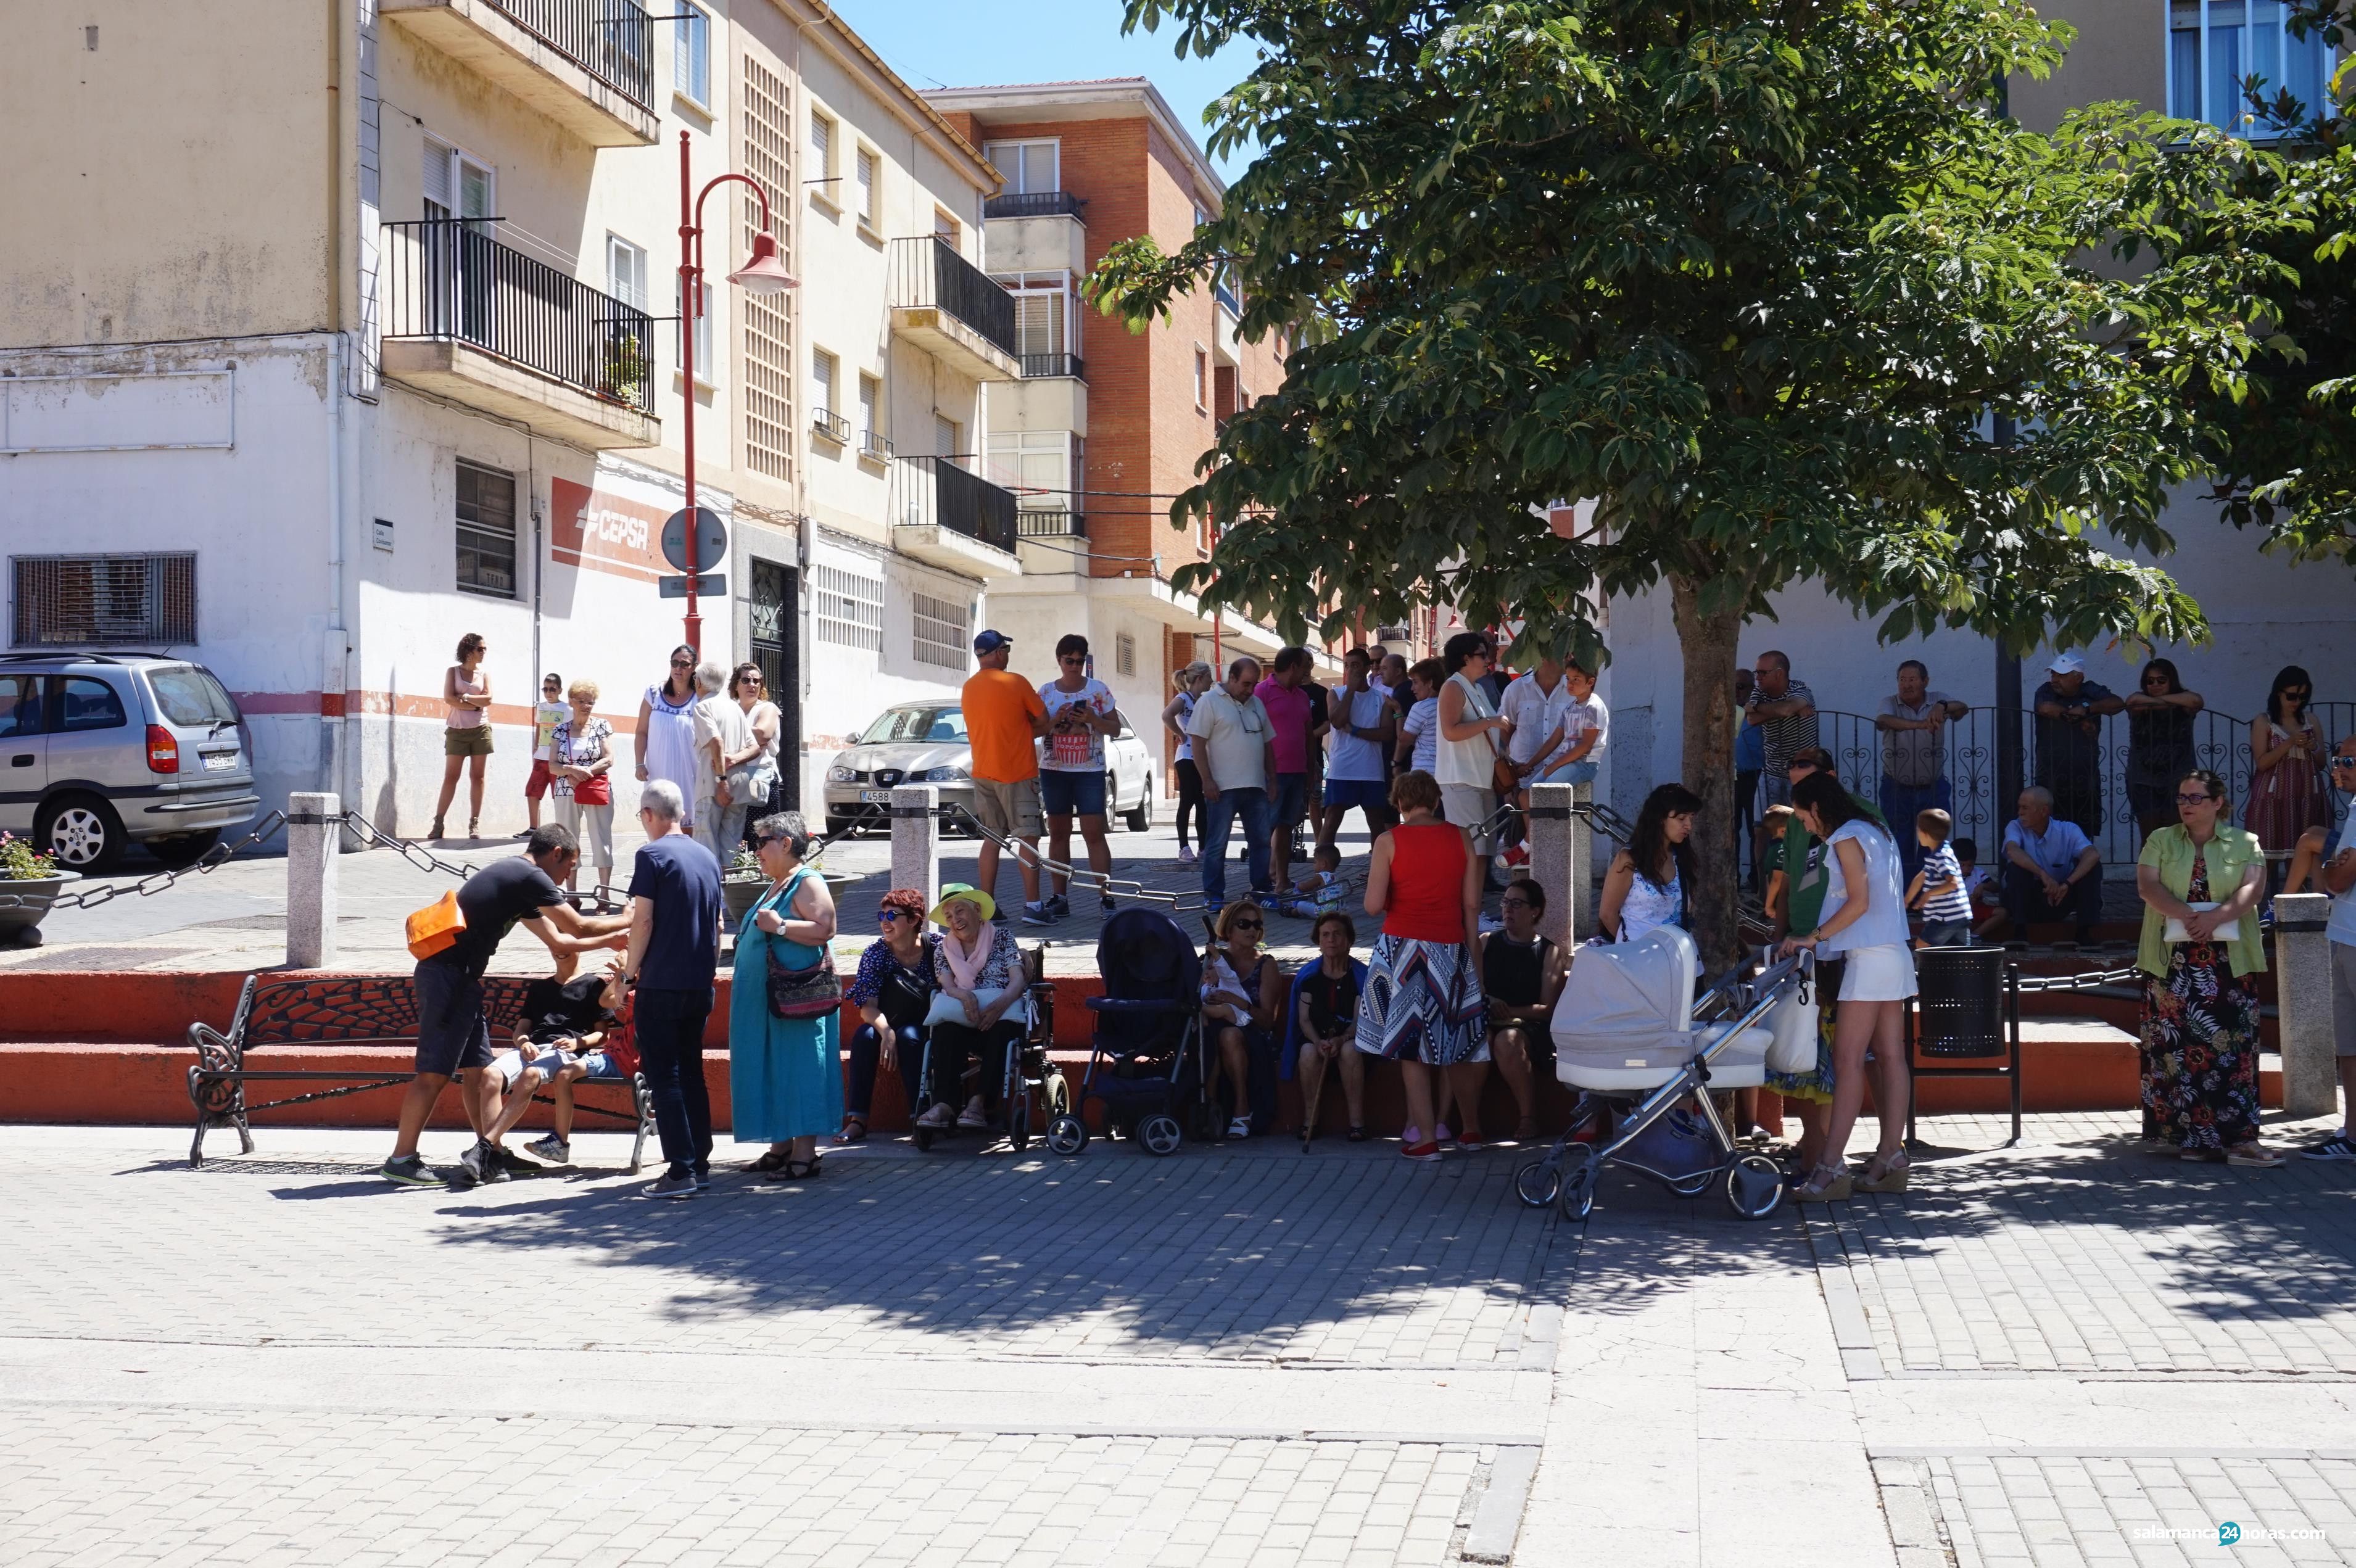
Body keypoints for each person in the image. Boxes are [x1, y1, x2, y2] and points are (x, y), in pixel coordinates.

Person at [379, 823, 630, 1187]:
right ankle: (401, 1159)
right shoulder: (528, 876)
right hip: (448, 978)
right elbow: (577, 927)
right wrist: (629, 918)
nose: (568, 876)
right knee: (433, 1072)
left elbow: (559, 941)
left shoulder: (516, 882)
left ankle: (490, 1152)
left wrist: (611, 940)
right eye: (570, 866)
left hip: (461, 981)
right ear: (556, 853)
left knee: (477, 1071)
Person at [1780, 771, 1917, 1202]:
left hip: (1868, 957)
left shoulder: (1844, 836)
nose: (1804, 826)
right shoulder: (1874, 829)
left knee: (1848, 1059)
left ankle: (1830, 1166)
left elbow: (1859, 902)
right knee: (1890, 1056)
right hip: (1892, 951)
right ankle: (1890, 1157)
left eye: (1803, 818)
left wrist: (1813, 936)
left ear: (1816, 809)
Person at [2134, 770, 2278, 1167]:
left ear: (2217, 803)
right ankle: (2192, 1139)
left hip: (2229, 964)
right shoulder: (2161, 839)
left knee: (2233, 1052)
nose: (2186, 805)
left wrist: (2216, 917)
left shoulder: (2246, 842)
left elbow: (2253, 889)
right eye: (2182, 797)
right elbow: (2148, 886)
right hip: (2173, 965)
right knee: (2178, 1050)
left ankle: (2239, 1138)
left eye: (2195, 798)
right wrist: (2187, 915)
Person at [1357, 769, 1488, 1160]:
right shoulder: (1461, 836)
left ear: (1400, 804)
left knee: (1411, 1047)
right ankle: (1471, 1130)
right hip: (1451, 948)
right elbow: (1471, 905)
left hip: (1403, 950)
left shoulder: (1387, 841)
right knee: (1459, 1043)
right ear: (1435, 801)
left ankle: (1427, 1136)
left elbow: (1372, 905)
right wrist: (1471, 957)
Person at [621, 780, 724, 1199]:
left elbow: (641, 921)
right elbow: (718, 927)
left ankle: (679, 1171)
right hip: (699, 984)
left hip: (660, 984)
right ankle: (698, 1163)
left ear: (649, 814)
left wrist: (628, 975)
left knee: (665, 1077)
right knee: (692, 1074)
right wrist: (709, 970)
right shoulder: (707, 856)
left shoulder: (650, 855)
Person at [729, 811, 840, 1183]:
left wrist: (781, 925)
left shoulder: (807, 881)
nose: (756, 850)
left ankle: (805, 1154)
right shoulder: (778, 882)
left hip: (796, 1001)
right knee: (774, 1067)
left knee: (800, 1068)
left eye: (762, 842)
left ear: (786, 844)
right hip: (769, 1004)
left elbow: (826, 928)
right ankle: (781, 1146)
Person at [479, 952, 628, 1161]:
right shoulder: (540, 988)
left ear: (578, 948)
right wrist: (524, 1043)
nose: (560, 950)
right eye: (555, 944)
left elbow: (602, 1034)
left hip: (567, 1051)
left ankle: (483, 1148)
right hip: (534, 1048)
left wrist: (578, 1043)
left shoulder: (593, 984)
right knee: (490, 1075)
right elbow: (521, 1030)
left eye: (567, 945)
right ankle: (494, 1153)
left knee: (531, 1074)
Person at [915, 884, 1030, 1133]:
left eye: (960, 911)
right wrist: (965, 997)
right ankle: (944, 1104)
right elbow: (947, 985)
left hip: (1000, 1013)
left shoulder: (1002, 937)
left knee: (1003, 1033)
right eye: (949, 916)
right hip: (964, 1015)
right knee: (944, 1031)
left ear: (977, 910)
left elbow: (1018, 979)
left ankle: (979, 1103)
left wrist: (1000, 1005)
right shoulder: (943, 948)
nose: (955, 920)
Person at [961, 629, 1052, 925]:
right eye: (1006, 650)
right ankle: (1034, 906)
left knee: (991, 838)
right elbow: (1043, 720)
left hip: (983, 772)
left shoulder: (969, 687)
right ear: (999, 653)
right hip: (1016, 772)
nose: (1008, 655)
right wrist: (1025, 730)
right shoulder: (1016, 682)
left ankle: (987, 907)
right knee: (1028, 838)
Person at [841, 887, 937, 1145]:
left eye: (893, 916)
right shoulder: (876, 953)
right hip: (889, 1021)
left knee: (910, 1036)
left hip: (931, 1022)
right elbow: (867, 1006)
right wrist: (886, 1032)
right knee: (865, 1035)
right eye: (882, 916)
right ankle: (858, 1120)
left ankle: (921, 1118)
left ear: (915, 920)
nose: (885, 922)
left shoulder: (937, 946)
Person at [2300, 738, 2356, 1161]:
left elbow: (2335, 881)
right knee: (2348, 1043)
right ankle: (2351, 1135)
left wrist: (2328, 864)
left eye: (2349, 760)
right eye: (2337, 759)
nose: (2339, 767)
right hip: (2343, 934)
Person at [1038, 633, 1122, 918]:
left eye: (1079, 661)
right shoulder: (1047, 692)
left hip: (1090, 771)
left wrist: (1093, 720)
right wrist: (1056, 719)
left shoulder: (1098, 690)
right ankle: (1059, 897)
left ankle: (1107, 897)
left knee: (1094, 834)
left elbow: (1116, 729)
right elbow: (1036, 730)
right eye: (1069, 661)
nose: (1074, 667)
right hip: (1054, 770)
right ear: (1059, 661)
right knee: (1058, 834)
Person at [523, 968, 641, 1168]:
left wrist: (624, 972)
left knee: (565, 1073)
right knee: (565, 1072)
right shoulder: (651, 990)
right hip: (618, 1056)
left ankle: (559, 1143)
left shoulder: (641, 995)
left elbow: (606, 1001)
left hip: (625, 1061)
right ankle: (559, 1142)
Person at [1479, 878, 1567, 1142]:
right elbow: (1474, 989)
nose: (1508, 909)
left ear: (1535, 911)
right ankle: (1469, 1123)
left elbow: (1547, 1009)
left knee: (1508, 1041)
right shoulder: (1486, 942)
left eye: (1516, 904)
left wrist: (1508, 1011)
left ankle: (1528, 1116)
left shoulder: (1549, 952)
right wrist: (1489, 1003)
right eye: (1505, 902)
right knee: (1474, 1039)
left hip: (1529, 1026)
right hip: (1486, 1018)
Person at [1188, 656, 1277, 908]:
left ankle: (1261, 892)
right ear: (1232, 679)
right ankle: (1214, 895)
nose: (1250, 690)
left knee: (1261, 842)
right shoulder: (1209, 702)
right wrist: (1206, 780)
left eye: (1254, 684)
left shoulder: (1257, 704)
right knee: (1217, 845)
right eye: (1246, 684)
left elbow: (1268, 744)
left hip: (1256, 787)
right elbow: (1197, 742)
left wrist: (1272, 780)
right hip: (1222, 789)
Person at [1875, 660, 1967, 888]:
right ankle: (1902, 899)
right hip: (1896, 785)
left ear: (1925, 682)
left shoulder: (1937, 699)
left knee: (1932, 843)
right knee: (1898, 841)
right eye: (1902, 680)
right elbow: (1883, 721)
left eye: (1912, 680)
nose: (1906, 685)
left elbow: (1963, 708)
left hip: (1932, 786)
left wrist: (1942, 706)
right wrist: (1920, 725)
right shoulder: (1890, 702)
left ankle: (1926, 898)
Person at [1203, 898, 1287, 1138]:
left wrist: (1237, 1000)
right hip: (1216, 1028)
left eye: (1257, 924)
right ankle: (1208, 1106)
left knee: (1229, 1034)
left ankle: (1242, 1107)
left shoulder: (1265, 965)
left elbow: (1267, 1021)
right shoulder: (1213, 961)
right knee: (1209, 1033)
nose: (1253, 929)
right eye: (1244, 924)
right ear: (1228, 929)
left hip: (1255, 1034)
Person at [1288, 910, 1369, 1142]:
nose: (1331, 940)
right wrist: (1317, 1041)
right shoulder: (1309, 978)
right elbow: (1303, 1019)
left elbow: (1359, 1020)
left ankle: (1357, 1123)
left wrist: (1341, 1039)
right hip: (1317, 1039)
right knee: (1307, 1052)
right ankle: (1309, 1121)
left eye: (1337, 934)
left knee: (1350, 1051)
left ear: (1349, 941)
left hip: (1351, 1040)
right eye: (1325, 935)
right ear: (1319, 941)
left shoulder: (1359, 977)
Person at [1434, 632, 1510, 859]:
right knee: (1469, 853)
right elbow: (1451, 732)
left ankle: (1475, 896)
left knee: (1482, 854)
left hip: (1482, 780)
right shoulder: (1453, 687)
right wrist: (1491, 722)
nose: (1489, 660)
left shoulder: (1476, 688)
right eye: (1483, 655)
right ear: (1466, 658)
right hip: (1460, 781)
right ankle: (1462, 895)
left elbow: (1484, 735)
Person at [1598, 782, 1701, 949]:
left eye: (1691, 818)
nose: (1688, 825)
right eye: (1682, 818)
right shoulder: (1629, 859)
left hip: (1678, 959)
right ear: (1660, 818)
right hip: (1637, 961)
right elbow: (1607, 914)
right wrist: (1631, 945)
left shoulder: (1682, 858)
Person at [2246, 664, 2328, 870]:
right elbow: (2262, 763)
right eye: (2292, 696)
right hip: (2274, 796)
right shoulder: (2264, 721)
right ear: (2279, 693)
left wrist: (2313, 746)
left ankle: (2299, 896)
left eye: (2303, 697)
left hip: (2306, 795)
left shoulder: (2311, 720)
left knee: (2305, 854)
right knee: (2267, 857)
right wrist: (2290, 742)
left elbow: (2322, 763)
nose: (2297, 702)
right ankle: (2266, 899)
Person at [2032, 652, 2123, 839]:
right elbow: (2045, 708)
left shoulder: (2090, 690)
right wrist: (2075, 717)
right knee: (2048, 829)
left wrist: (2088, 709)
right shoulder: (2046, 690)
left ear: (2078, 678)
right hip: (2051, 774)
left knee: (2084, 832)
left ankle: (2083, 867)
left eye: (2061, 675)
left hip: (2085, 774)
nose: (2055, 679)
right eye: (2054, 674)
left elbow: (2117, 704)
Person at [2001, 786, 2102, 946]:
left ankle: (2084, 933)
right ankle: (2020, 932)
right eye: (2019, 807)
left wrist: (2067, 884)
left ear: (2044, 811)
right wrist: (2044, 876)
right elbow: (2012, 851)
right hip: (2028, 899)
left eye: (2025, 808)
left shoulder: (2068, 830)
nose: (2020, 812)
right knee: (2016, 868)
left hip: (2059, 897)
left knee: (2093, 868)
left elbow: (2093, 854)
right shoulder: (2015, 826)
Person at [1256, 647, 1320, 890]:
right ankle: (1262, 881)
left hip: (1298, 771)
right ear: (1293, 666)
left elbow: (1308, 734)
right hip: (1272, 773)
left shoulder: (1302, 696)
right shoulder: (1262, 691)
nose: (1308, 671)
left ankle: (1281, 880)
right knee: (1267, 827)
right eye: (1305, 666)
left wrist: (1312, 764)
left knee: (1286, 826)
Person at [1323, 646, 1396, 848]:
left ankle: (1377, 871)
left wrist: (1355, 731)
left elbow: (1387, 733)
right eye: (1347, 666)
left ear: (1366, 668)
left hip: (1371, 771)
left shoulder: (1380, 698)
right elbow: (1337, 721)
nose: (1350, 670)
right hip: (1342, 770)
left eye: (1355, 666)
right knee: (1331, 822)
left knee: (1377, 826)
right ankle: (1323, 873)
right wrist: (1351, 691)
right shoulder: (1335, 694)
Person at [2123, 658, 2203, 843]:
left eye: (2161, 680)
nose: (2155, 685)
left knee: (2176, 836)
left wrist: (2156, 701)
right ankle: (2148, 873)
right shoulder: (2140, 701)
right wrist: (2167, 702)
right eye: (2150, 681)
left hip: (2179, 778)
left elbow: (2196, 701)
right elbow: (2132, 701)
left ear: (2171, 680)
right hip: (2143, 778)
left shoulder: (2185, 702)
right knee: (2150, 839)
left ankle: (2175, 873)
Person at [548, 681, 615, 900]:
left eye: (590, 702)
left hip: (595, 789)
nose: (586, 706)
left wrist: (584, 773)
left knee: (601, 838)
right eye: (581, 701)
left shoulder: (601, 726)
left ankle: (604, 894)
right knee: (568, 842)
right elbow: (552, 766)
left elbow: (608, 759)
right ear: (571, 701)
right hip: (566, 791)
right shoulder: (559, 730)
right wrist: (571, 770)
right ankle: (572, 894)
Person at [429, 631, 493, 841]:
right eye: (480, 649)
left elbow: (489, 700)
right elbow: (449, 699)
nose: (484, 652)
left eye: (484, 649)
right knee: (451, 777)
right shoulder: (453, 672)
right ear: (468, 650)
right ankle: (439, 822)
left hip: (481, 729)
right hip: (457, 731)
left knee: (478, 777)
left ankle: (474, 822)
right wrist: (475, 703)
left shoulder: (484, 675)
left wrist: (465, 698)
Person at [689, 661, 753, 865]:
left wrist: (721, 779)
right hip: (739, 785)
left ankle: (711, 895)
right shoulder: (735, 708)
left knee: (705, 843)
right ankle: (729, 894)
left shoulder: (703, 707)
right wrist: (735, 759)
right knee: (731, 845)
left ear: (699, 682)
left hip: (713, 785)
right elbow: (754, 747)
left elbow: (716, 741)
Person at [635, 645, 701, 830]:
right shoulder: (653, 693)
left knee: (688, 830)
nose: (678, 668)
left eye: (685, 664)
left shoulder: (700, 699)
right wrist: (639, 763)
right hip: (657, 773)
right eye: (675, 663)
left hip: (690, 776)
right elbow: (641, 731)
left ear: (694, 667)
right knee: (657, 826)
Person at [1745, 651, 1818, 807]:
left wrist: (1756, 707)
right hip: (1771, 771)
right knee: (1761, 827)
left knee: (1801, 824)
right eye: (1757, 672)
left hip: (1802, 770)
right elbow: (1751, 720)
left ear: (1779, 674)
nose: (1758, 677)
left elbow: (1786, 709)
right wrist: (1789, 711)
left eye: (1762, 673)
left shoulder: (1800, 690)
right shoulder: (1759, 692)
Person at [1163, 661, 1213, 866]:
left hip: (1203, 756)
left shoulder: (1204, 700)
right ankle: (1184, 847)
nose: (1212, 680)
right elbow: (1167, 715)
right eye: (1209, 676)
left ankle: (1203, 847)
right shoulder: (1184, 699)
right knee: (1188, 800)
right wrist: (1181, 735)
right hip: (1186, 757)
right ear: (1200, 678)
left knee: (1203, 803)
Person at [730, 662, 783, 851]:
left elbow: (763, 733)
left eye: (756, 681)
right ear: (736, 685)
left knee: (760, 839)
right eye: (746, 680)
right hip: (734, 781)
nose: (752, 685)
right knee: (734, 839)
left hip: (760, 783)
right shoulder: (731, 709)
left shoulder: (767, 708)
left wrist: (730, 732)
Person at [1909, 809, 1973, 947]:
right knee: (1959, 953)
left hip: (1946, 917)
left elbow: (1953, 883)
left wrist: (1928, 894)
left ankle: (1927, 970)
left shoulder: (1942, 857)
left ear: (1925, 834)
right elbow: (1921, 877)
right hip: (1960, 914)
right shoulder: (1938, 854)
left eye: (1918, 830)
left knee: (1922, 945)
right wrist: (1907, 900)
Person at [526, 673, 569, 832]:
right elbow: (539, 726)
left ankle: (563, 829)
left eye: (553, 689)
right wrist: (536, 746)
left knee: (558, 795)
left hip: (557, 760)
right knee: (532, 791)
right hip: (540, 758)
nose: (549, 692)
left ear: (560, 690)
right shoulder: (541, 707)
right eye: (546, 689)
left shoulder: (567, 709)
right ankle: (533, 828)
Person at [1735, 667, 1764, 874]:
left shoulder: (1759, 711)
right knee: (1730, 832)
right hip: (1731, 779)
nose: (1736, 691)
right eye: (1732, 687)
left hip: (1756, 777)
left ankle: (1757, 882)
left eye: (1741, 686)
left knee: (1757, 831)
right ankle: (1732, 882)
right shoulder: (1725, 711)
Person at [1396, 659, 1443, 777]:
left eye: (1415, 682)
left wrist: (1398, 713)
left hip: (1424, 773)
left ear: (1430, 683)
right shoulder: (1450, 704)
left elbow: (1404, 740)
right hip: (1447, 772)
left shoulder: (1421, 708)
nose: (1412, 689)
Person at [1278, 843, 1347, 918]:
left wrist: (1299, 886)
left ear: (1323, 864)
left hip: (1325, 912)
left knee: (1301, 905)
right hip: (1339, 911)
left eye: (1315, 862)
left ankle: (1292, 912)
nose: (1314, 865)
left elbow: (1305, 887)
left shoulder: (1321, 876)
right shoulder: (1336, 876)